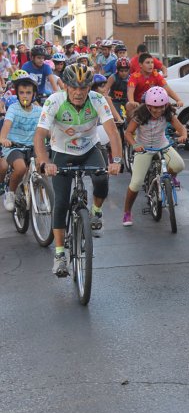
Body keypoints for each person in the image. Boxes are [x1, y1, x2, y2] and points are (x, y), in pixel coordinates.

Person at [34, 63, 123, 277]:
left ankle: (96, 213)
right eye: (73, 87)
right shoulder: (54, 101)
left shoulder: (98, 100)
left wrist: (117, 160)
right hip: (62, 153)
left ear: (89, 87)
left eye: (83, 87)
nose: (78, 92)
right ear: (65, 85)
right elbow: (39, 135)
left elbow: (112, 132)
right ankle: (59, 255)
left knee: (101, 179)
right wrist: (46, 162)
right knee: (62, 202)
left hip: (89, 148)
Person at [122, 86, 186, 227]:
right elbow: (128, 133)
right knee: (136, 183)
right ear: (148, 106)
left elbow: (181, 128)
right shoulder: (140, 115)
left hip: (163, 145)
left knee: (179, 165)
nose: (158, 111)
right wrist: (134, 145)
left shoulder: (168, 113)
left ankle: (171, 177)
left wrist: (183, 135)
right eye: (154, 107)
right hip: (144, 149)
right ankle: (127, 212)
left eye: (161, 107)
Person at [0, 73, 41, 211]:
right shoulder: (13, 108)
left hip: (33, 146)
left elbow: (47, 128)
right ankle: (10, 194)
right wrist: (3, 138)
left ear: (34, 94)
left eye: (28, 93)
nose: (25, 96)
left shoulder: (39, 111)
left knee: (44, 167)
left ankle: (42, 193)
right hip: (14, 147)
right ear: (17, 94)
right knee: (21, 168)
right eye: (21, 93)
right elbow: (6, 125)